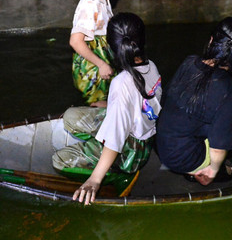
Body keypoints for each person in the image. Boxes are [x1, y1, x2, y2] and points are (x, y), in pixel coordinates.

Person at [53, 13, 162, 205]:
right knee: (70, 116)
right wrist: (111, 105)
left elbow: (115, 138)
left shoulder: (121, 82)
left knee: (59, 160)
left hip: (131, 153)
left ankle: (119, 175)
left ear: (110, 47)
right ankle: (102, 155)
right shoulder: (150, 66)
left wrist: (95, 180)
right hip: (141, 134)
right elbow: (144, 103)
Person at [156, 17, 232, 186]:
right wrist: (212, 172)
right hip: (185, 160)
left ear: (212, 40)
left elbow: (212, 89)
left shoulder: (190, 62)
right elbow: (218, 147)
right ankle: (201, 169)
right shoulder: (229, 91)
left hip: (163, 146)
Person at [70, 0, 123, 107]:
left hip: (102, 58)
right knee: (98, 107)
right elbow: (75, 41)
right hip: (92, 66)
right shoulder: (90, 4)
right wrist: (101, 64)